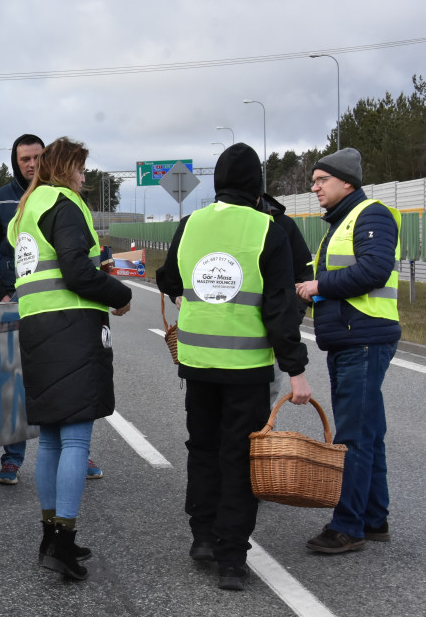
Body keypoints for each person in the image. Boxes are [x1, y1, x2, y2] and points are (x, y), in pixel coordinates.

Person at [156, 143, 311, 591]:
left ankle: (202, 537)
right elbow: (280, 309)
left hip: (198, 364)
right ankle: (231, 561)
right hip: (247, 368)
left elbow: (169, 278)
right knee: (239, 458)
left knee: (202, 450)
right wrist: (295, 370)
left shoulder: (191, 224)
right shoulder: (269, 229)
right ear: (258, 186)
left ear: (218, 183)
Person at [6, 137, 132, 581]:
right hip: (72, 329)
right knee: (76, 440)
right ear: (66, 169)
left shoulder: (26, 209)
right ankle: (62, 542)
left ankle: (51, 535)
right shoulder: (65, 203)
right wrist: (120, 293)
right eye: (80, 169)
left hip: (37, 328)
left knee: (53, 439)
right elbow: (77, 271)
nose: (84, 177)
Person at [0, 134, 103, 484]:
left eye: (37, 157)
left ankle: (77, 453)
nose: (31, 164)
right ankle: (13, 457)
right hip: (17, 302)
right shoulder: (3, 200)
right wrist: (1, 294)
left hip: (65, 305)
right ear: (14, 162)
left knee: (68, 380)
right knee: (20, 380)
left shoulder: (65, 197)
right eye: (24, 160)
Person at [296, 147, 401, 555]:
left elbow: (374, 269)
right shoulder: (339, 223)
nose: (314, 186)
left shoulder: (370, 214)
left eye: (322, 180)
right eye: (314, 181)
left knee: (353, 436)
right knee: (369, 434)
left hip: (364, 338)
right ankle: (374, 519)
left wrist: (319, 287)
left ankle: (348, 526)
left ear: (347, 183)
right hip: (351, 339)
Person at [259, 192, 314, 405]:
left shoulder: (281, 226)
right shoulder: (213, 224)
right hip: (217, 343)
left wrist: (290, 317)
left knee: (262, 412)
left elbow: (304, 277)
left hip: (269, 341)